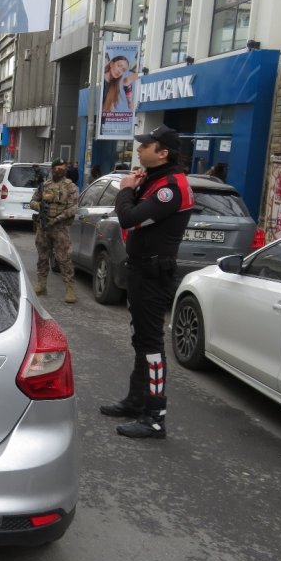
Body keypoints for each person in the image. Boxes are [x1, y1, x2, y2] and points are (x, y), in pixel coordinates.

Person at [99, 125, 194, 439]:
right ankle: (136, 400)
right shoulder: (155, 179)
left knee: (152, 346)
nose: (138, 150)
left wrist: (125, 188)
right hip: (141, 269)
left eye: (145, 146)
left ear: (163, 152)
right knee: (141, 339)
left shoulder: (172, 186)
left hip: (154, 273)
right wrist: (136, 186)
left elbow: (129, 217)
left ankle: (155, 416)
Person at [29, 158, 79, 303]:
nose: (59, 169)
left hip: (60, 228)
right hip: (43, 227)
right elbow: (32, 201)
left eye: (62, 167)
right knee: (42, 257)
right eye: (56, 167)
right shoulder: (45, 185)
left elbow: (73, 208)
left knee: (64, 258)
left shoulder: (70, 187)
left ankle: (70, 289)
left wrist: (57, 219)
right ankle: (41, 285)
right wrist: (39, 206)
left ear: (65, 169)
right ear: (52, 169)